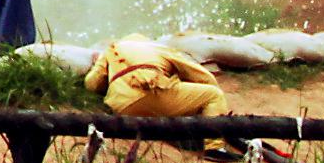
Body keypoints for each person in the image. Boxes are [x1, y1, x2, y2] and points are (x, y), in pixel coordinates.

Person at [85, 35, 225, 119]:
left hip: (121, 106)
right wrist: (218, 109)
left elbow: (91, 83)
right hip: (151, 94)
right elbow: (203, 76)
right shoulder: (157, 48)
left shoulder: (111, 51)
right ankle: (215, 147)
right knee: (213, 95)